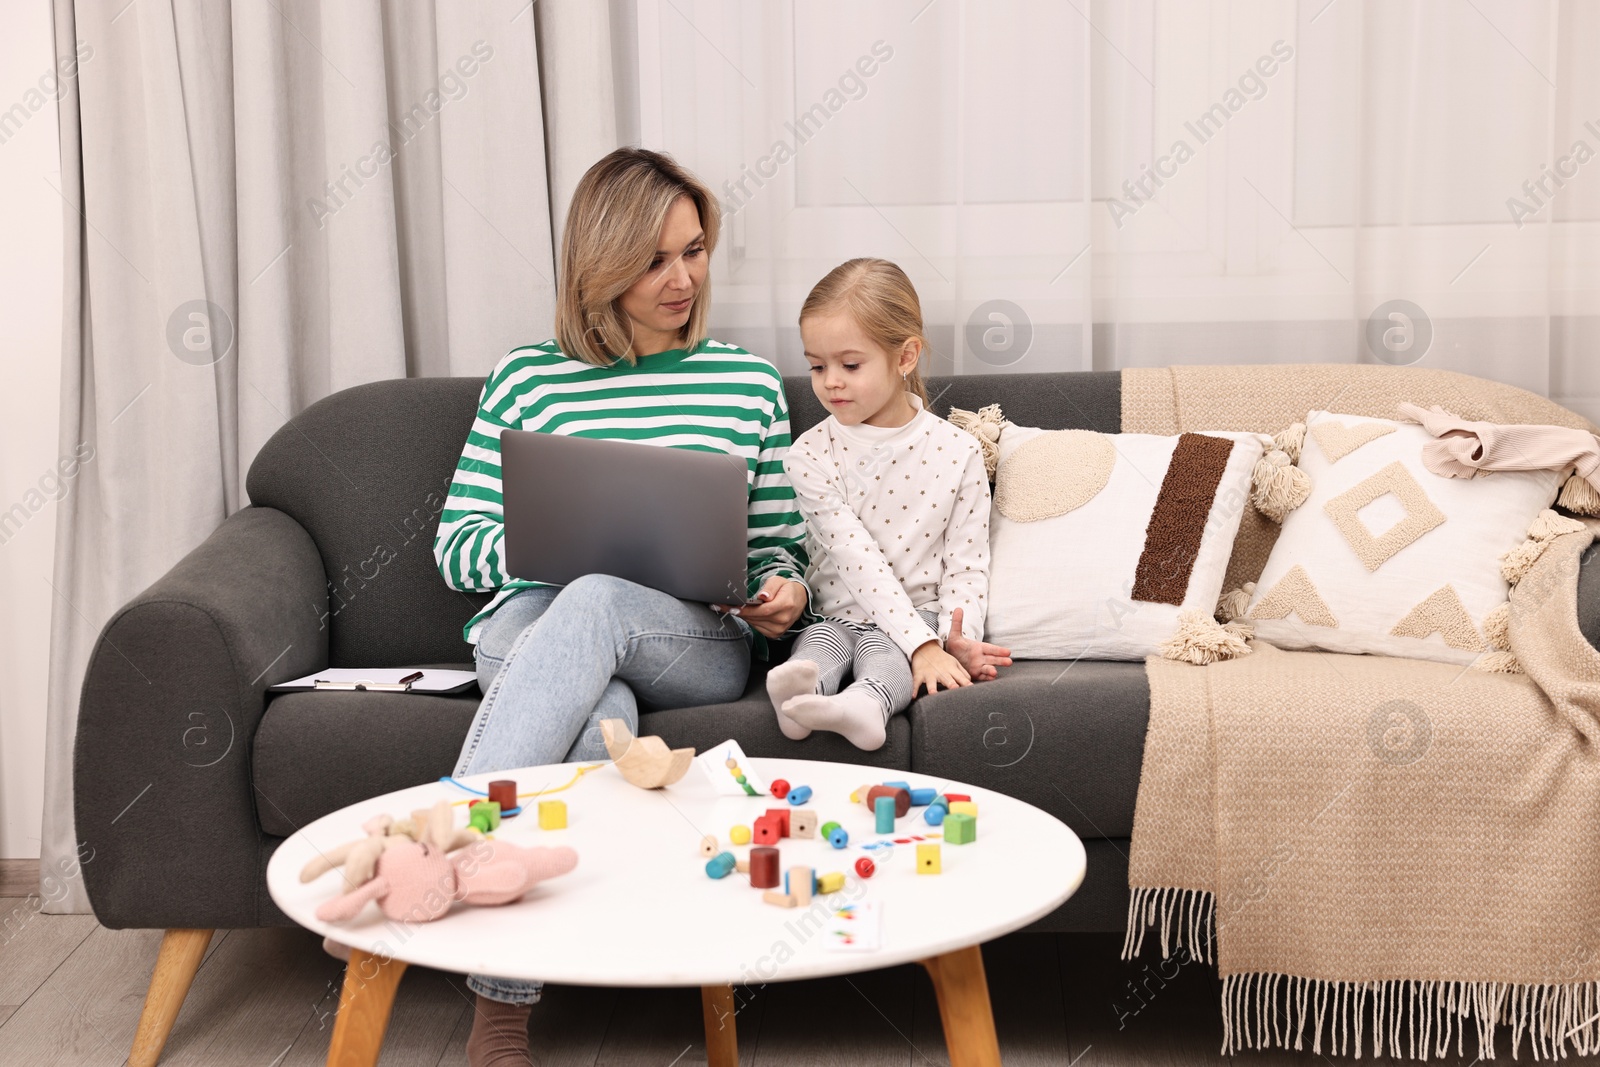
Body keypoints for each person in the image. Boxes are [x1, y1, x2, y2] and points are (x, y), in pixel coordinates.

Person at [431, 147, 811, 1066]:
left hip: (693, 637)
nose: (682, 278)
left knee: (595, 599)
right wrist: (556, 540)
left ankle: (435, 849)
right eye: (653, 260)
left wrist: (782, 591)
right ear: (599, 265)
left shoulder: (745, 383)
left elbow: (781, 548)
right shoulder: (527, 377)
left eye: (694, 250)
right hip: (536, 627)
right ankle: (504, 1009)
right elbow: (456, 546)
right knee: (600, 713)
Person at [765, 258, 1011, 751]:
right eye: (817, 366)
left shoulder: (956, 451)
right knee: (814, 649)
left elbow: (966, 565)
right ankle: (800, 697)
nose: (830, 381)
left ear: (906, 357)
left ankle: (865, 705)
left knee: (884, 650)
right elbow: (856, 558)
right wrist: (924, 648)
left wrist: (952, 637)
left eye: (850, 365)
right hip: (835, 616)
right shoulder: (809, 455)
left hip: (916, 618)